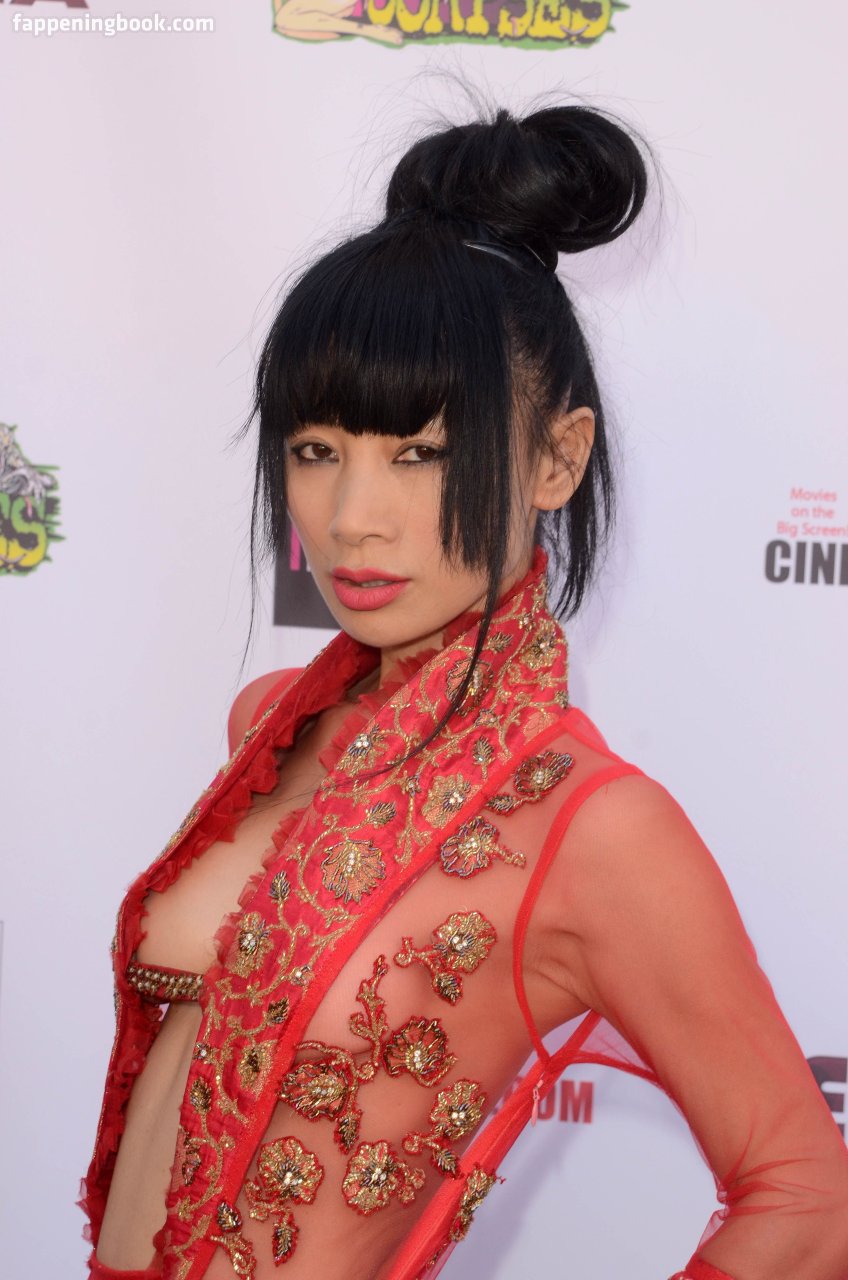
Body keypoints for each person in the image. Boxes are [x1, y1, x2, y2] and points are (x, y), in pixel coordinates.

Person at [79, 102, 848, 1280]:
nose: (351, 517)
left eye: (420, 453)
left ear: (556, 456)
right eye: (316, 449)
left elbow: (805, 1198)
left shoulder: (598, 828)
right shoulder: (270, 721)